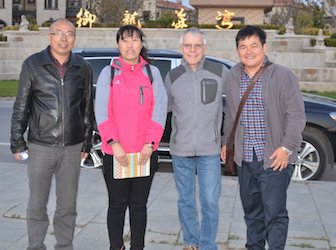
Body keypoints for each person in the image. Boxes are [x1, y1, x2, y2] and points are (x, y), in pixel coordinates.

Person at [10, 18, 93, 250]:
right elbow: (21, 106)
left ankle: (64, 245)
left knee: (67, 204)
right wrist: (17, 143)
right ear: (49, 36)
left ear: (74, 39)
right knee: (37, 203)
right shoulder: (33, 64)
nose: (63, 38)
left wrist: (86, 143)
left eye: (69, 34)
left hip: (72, 148)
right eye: (58, 33)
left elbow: (87, 108)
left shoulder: (83, 67)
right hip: (40, 147)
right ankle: (35, 245)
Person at [221, 25, 306, 250]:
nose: (248, 51)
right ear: (237, 50)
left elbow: (296, 116)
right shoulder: (232, 76)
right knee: (252, 213)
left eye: (254, 46)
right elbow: (230, 114)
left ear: (264, 47)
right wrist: (225, 143)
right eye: (243, 47)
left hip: (274, 158)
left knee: (275, 214)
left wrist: (286, 147)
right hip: (244, 158)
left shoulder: (283, 76)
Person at [95, 25, 167, 250]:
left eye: (134, 40)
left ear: (141, 43)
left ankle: (137, 246)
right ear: (118, 44)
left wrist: (150, 144)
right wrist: (113, 143)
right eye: (125, 40)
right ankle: (116, 246)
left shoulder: (151, 73)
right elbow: (102, 111)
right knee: (116, 205)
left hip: (144, 153)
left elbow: (159, 109)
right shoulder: (110, 72)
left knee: (138, 205)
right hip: (116, 153)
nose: (130, 45)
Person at [164, 27, 229, 250]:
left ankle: (208, 244)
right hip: (180, 150)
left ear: (205, 48)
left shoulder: (219, 71)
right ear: (181, 48)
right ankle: (191, 241)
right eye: (188, 45)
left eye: (197, 45)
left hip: (209, 150)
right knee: (186, 200)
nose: (193, 50)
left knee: (210, 201)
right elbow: (164, 110)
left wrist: (225, 140)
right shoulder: (173, 76)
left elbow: (233, 109)